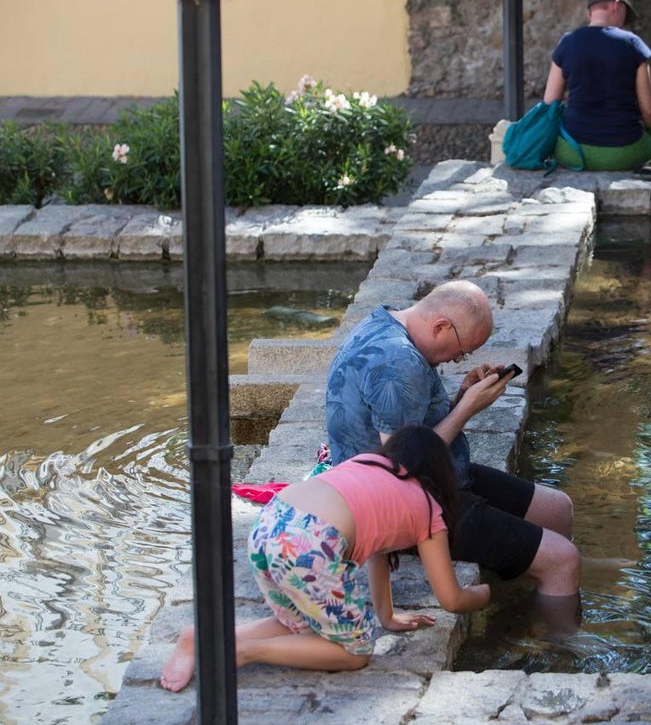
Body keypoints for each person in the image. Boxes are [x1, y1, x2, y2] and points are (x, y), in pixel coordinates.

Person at [324, 279, 582, 633]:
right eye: (461, 351)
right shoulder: (398, 361)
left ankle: (535, 590)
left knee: (558, 508)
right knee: (564, 560)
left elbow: (416, 431)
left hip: (443, 476)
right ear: (441, 326)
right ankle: (560, 648)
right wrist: (468, 409)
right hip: (409, 501)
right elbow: (400, 467)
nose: (458, 360)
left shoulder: (385, 322)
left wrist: (462, 397)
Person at [159, 425, 490, 692]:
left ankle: (201, 638)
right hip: (310, 545)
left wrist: (386, 616)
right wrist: (487, 593)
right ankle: (243, 652)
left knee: (305, 624)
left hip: (268, 525)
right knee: (356, 650)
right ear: (440, 473)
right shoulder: (427, 507)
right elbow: (451, 598)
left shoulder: (366, 465)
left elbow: (379, 551)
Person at [543, 0, 651, 171]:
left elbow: (550, 102)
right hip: (624, 152)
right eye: (625, 13)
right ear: (616, 5)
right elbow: (647, 108)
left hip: (573, 152)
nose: (624, 20)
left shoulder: (567, 42)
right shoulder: (633, 44)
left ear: (590, 13)